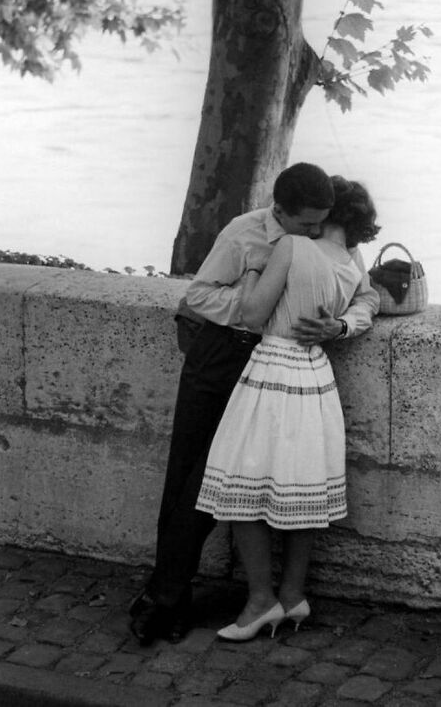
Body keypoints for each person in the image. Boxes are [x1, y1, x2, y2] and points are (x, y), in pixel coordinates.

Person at [129, 163, 379, 646]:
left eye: (321, 221)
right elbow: (199, 295)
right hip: (223, 355)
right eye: (306, 223)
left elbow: (364, 298)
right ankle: (171, 596)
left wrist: (339, 326)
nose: (315, 232)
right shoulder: (243, 233)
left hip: (275, 369)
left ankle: (175, 596)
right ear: (279, 209)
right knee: (187, 477)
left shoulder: (331, 237)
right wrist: (261, 302)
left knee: (221, 478)